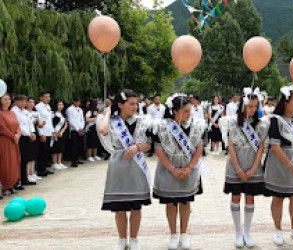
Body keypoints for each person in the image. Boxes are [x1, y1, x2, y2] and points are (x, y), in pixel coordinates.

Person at [97, 89, 152, 250]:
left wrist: (137, 148)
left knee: (136, 206)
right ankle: (122, 239)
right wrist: (107, 113)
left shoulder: (143, 121)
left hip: (136, 166)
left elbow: (150, 144)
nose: (135, 107)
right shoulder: (112, 121)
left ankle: (134, 239)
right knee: (119, 206)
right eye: (131, 104)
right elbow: (102, 130)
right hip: (118, 167)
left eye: (136, 104)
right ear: (120, 104)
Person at [151, 95, 206, 250]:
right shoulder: (162, 126)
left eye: (190, 111)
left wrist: (189, 168)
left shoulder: (196, 125)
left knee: (186, 201)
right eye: (186, 111)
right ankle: (173, 234)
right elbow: (158, 149)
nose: (190, 114)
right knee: (171, 202)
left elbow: (199, 147)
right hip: (168, 169)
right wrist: (173, 169)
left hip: (189, 168)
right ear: (175, 111)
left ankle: (184, 233)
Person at [263, 86, 293, 246]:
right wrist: (290, 164)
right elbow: (275, 147)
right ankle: (278, 230)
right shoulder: (275, 120)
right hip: (280, 164)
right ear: (285, 103)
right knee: (278, 197)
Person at [219, 88, 266, 248]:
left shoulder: (261, 124)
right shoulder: (232, 122)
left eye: (255, 106)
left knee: (250, 198)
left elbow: (261, 147)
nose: (252, 110)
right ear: (242, 106)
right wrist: (238, 168)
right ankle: (238, 232)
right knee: (236, 197)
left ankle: (247, 232)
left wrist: (253, 169)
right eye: (249, 106)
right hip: (235, 165)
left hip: (253, 165)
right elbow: (230, 146)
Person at [12, 95, 37, 186]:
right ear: (16, 101)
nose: (24, 103)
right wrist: (28, 133)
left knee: (26, 158)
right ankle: (18, 180)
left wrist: (32, 132)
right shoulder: (14, 112)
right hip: (20, 137)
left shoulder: (25, 112)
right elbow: (18, 126)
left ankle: (24, 178)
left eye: (25, 101)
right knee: (20, 159)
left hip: (27, 137)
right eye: (22, 101)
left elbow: (29, 123)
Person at [0, 93, 21, 196]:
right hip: (5, 141)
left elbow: (18, 125)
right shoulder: (0, 113)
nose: (7, 101)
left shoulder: (12, 113)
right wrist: (13, 136)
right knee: (6, 163)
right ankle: (6, 185)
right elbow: (2, 128)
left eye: (8, 99)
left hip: (14, 141)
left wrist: (17, 134)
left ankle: (13, 184)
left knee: (14, 162)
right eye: (5, 99)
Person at [35, 91, 56, 177]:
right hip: (43, 131)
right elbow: (38, 121)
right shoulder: (38, 107)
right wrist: (41, 134)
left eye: (49, 96)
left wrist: (53, 131)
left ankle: (44, 169)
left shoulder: (48, 106)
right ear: (41, 98)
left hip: (48, 131)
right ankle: (40, 170)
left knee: (47, 152)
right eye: (46, 97)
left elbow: (49, 121)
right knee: (42, 152)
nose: (48, 98)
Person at [25, 97, 42, 182]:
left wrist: (41, 123)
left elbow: (40, 125)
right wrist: (34, 121)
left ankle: (33, 172)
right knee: (29, 155)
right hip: (28, 134)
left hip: (35, 133)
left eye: (33, 102)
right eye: (30, 102)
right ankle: (28, 174)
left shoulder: (36, 113)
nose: (32, 104)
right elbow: (27, 124)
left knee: (34, 154)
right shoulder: (25, 113)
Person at [66, 97, 85, 167]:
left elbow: (82, 119)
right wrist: (77, 129)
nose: (78, 103)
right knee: (73, 145)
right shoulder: (70, 109)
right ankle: (73, 161)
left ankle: (77, 159)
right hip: (74, 129)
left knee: (79, 145)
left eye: (79, 102)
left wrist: (81, 128)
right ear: (73, 102)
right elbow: (71, 120)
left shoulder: (80, 109)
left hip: (80, 129)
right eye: (77, 102)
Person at [50, 100, 68, 171]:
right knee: (55, 148)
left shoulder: (62, 114)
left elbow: (65, 124)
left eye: (62, 105)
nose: (61, 106)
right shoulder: (52, 114)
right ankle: (54, 163)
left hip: (61, 133)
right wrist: (55, 132)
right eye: (59, 105)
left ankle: (59, 162)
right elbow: (51, 124)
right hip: (54, 133)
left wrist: (62, 132)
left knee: (60, 148)